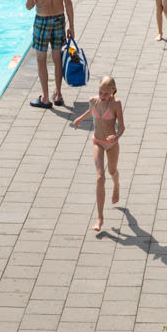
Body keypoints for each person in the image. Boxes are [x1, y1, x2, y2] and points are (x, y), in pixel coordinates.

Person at [69, 75, 125, 234]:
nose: (102, 96)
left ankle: (117, 185)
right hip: (98, 142)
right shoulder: (93, 100)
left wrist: (116, 136)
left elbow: (122, 126)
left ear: (113, 91)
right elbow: (91, 112)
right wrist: (79, 119)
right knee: (100, 176)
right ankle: (100, 218)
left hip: (112, 144)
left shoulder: (116, 104)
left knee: (112, 171)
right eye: (101, 92)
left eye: (106, 94)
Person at [25, 0, 77, 108]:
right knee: (57, 57)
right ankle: (59, 94)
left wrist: (36, 0)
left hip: (42, 21)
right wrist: (71, 26)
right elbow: (68, 3)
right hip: (59, 20)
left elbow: (28, 6)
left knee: (41, 59)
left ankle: (46, 98)